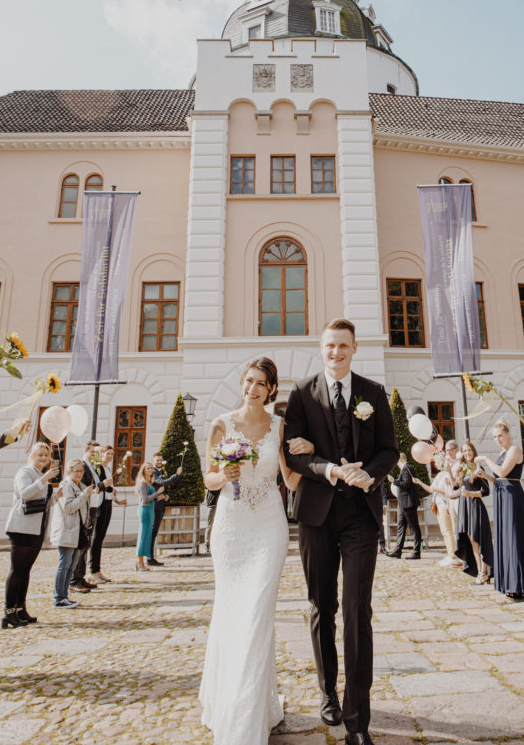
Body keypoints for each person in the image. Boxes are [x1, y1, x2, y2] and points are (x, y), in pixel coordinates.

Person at [284, 318, 399, 745]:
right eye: (330, 346)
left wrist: (369, 474)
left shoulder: (373, 393)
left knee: (356, 611)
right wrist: (329, 469)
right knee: (322, 608)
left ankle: (358, 720)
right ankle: (327, 691)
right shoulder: (300, 393)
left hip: (360, 517)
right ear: (321, 347)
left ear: (354, 349)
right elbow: (292, 453)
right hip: (316, 513)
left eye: (343, 346)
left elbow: (390, 447)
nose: (336, 353)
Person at [199, 356, 311, 745]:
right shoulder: (219, 424)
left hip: (268, 527)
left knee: (258, 614)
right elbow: (208, 479)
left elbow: (292, 481)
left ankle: (247, 714)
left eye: (260, 383)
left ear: (271, 389)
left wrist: (311, 452)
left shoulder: (279, 427)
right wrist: (222, 474)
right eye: (248, 381)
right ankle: (231, 701)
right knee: (232, 612)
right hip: (230, 528)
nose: (252, 388)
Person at [3, 441, 59, 627]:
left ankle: (21, 608)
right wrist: (43, 481)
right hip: (21, 527)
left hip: (36, 527)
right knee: (17, 570)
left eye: (46, 455)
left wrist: (54, 498)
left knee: (26, 570)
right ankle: (9, 611)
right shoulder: (25, 472)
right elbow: (25, 494)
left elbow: (40, 502)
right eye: (40, 455)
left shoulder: (40, 474)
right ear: (32, 456)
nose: (43, 458)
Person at [478, 419, 524, 600]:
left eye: (500, 435)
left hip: (512, 496)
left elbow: (502, 472)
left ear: (508, 434)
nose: (497, 439)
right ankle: (507, 581)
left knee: (514, 537)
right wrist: (485, 475)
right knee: (504, 537)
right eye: (494, 437)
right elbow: (497, 479)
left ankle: (517, 583)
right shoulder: (502, 453)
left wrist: (486, 459)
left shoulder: (514, 450)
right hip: (501, 494)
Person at [50, 458, 96, 607]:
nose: (79, 474)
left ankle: (64, 595)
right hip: (67, 530)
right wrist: (84, 495)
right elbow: (69, 507)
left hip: (78, 532)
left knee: (71, 565)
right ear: (69, 472)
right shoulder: (66, 486)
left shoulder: (80, 486)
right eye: (76, 471)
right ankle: (58, 597)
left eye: (81, 471)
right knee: (64, 563)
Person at [70, 440, 112, 592]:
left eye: (96, 453)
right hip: (86, 509)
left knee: (86, 543)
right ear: (86, 451)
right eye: (93, 453)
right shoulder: (82, 466)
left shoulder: (94, 467)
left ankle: (81, 577)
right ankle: (75, 579)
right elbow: (86, 488)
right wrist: (103, 485)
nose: (95, 456)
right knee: (82, 544)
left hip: (95, 507)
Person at [415, 449, 463, 568]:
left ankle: (453, 555)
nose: (435, 464)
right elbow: (431, 489)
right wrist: (420, 483)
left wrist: (436, 490)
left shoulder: (447, 473)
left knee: (448, 530)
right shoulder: (440, 475)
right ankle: (449, 553)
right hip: (438, 504)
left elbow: (448, 490)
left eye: (436, 462)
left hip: (444, 504)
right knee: (444, 531)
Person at [454, 441, 493, 584]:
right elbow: (455, 487)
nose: (467, 453)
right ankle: (479, 571)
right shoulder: (463, 468)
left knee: (478, 539)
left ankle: (484, 573)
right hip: (465, 507)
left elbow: (486, 491)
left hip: (475, 506)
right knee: (472, 541)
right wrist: (448, 471)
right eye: (464, 451)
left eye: (469, 450)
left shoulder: (478, 468)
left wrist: (471, 495)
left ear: (474, 452)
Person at [89, 444, 126, 583]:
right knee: (96, 537)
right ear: (102, 454)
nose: (110, 456)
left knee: (101, 536)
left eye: (112, 454)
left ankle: (97, 570)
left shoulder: (108, 469)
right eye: (108, 453)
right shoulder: (97, 468)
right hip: (100, 504)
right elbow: (100, 487)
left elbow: (110, 488)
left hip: (108, 503)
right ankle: (93, 570)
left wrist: (118, 500)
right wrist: (109, 489)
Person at [148, 451, 183, 567]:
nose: (159, 462)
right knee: (152, 532)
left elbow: (162, 486)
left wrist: (166, 495)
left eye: (160, 460)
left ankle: (151, 556)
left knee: (154, 532)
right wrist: (176, 475)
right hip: (155, 505)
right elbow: (162, 482)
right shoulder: (153, 472)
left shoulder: (160, 471)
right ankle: (149, 557)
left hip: (160, 505)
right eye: (157, 460)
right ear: (154, 461)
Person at [387, 452, 422, 559]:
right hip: (403, 503)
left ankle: (417, 551)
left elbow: (406, 484)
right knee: (400, 526)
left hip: (408, 503)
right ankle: (398, 550)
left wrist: (394, 481)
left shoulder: (407, 468)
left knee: (414, 527)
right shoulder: (405, 469)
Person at [135, 462, 167, 571]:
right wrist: (157, 492)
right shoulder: (142, 482)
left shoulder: (149, 482)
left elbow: (151, 498)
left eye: (151, 468)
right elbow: (145, 499)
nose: (149, 470)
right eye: (147, 468)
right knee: (143, 536)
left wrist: (160, 497)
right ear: (143, 470)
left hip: (150, 509)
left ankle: (141, 562)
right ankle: (139, 562)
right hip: (144, 510)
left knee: (147, 536)